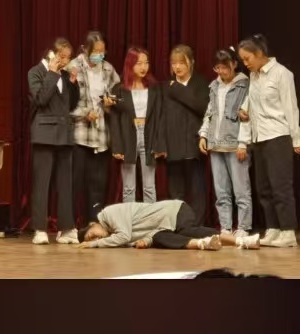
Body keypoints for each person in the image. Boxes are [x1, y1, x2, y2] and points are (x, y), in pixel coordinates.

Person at [237, 34, 300, 248]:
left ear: (259, 54)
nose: (245, 63)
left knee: (280, 186)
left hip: (278, 136)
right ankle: (273, 229)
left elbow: (291, 107)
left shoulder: (282, 74)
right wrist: (244, 110)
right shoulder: (254, 76)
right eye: (243, 60)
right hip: (259, 137)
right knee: (263, 188)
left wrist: (296, 138)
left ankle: (288, 232)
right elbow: (251, 102)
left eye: (247, 59)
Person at [29, 39, 80, 245]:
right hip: (44, 133)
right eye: (62, 57)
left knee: (65, 184)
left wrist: (74, 84)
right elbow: (40, 99)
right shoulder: (35, 72)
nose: (65, 61)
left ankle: (66, 228)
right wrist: (51, 73)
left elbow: (72, 104)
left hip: (64, 133)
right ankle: (40, 229)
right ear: (51, 54)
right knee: (42, 183)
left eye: (68, 58)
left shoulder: (65, 75)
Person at [199, 49, 252, 237]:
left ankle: (243, 227)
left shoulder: (244, 85)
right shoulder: (214, 86)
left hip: (235, 144)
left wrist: (243, 143)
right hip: (215, 144)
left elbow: (247, 117)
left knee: (241, 189)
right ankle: (226, 228)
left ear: (234, 64)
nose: (221, 71)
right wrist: (204, 135)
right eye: (217, 68)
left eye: (225, 67)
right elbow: (210, 112)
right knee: (221, 191)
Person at [68, 30, 120, 226]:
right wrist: (84, 113)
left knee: (98, 183)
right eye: (96, 52)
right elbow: (64, 102)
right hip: (80, 136)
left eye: (102, 51)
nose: (100, 55)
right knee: (76, 182)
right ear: (85, 49)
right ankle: (71, 225)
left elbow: (118, 93)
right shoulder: (73, 67)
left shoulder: (108, 69)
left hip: (101, 136)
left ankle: (93, 223)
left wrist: (110, 102)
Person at [107, 47, 165, 205]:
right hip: (128, 135)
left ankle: (150, 219)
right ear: (130, 64)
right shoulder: (119, 89)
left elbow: (160, 116)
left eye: (146, 63)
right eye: (139, 63)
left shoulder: (154, 88)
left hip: (148, 135)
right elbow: (115, 120)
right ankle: (130, 218)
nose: (143, 67)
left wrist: (160, 144)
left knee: (149, 186)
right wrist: (117, 146)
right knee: (128, 187)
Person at [79, 200, 259, 250]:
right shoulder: (113, 234)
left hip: (176, 211)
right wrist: (146, 241)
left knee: (187, 231)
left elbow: (124, 236)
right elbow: (151, 231)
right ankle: (203, 244)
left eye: (92, 235)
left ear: (93, 224)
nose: (96, 238)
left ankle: (241, 241)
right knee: (160, 238)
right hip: (165, 226)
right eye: (93, 239)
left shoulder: (109, 214)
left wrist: (94, 245)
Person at [162, 45, 210, 224]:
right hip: (172, 145)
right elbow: (160, 117)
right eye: (174, 63)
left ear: (191, 62)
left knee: (197, 188)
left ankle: (197, 225)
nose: (177, 67)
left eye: (181, 62)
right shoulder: (166, 86)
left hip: (194, 144)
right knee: (176, 191)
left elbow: (203, 107)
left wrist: (177, 90)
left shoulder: (201, 83)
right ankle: (179, 224)